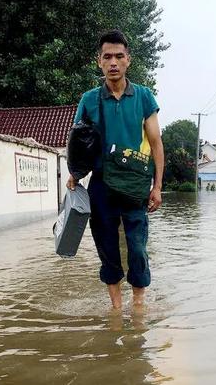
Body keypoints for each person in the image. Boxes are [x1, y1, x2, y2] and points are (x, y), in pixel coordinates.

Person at [67, 29, 164, 310]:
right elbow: (79, 142)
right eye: (107, 57)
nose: (113, 62)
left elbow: (156, 143)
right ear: (99, 61)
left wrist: (157, 187)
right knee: (107, 248)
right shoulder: (89, 100)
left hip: (135, 184)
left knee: (137, 247)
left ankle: (139, 306)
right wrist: (75, 174)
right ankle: (116, 309)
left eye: (119, 56)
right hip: (101, 185)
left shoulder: (144, 97)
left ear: (128, 60)